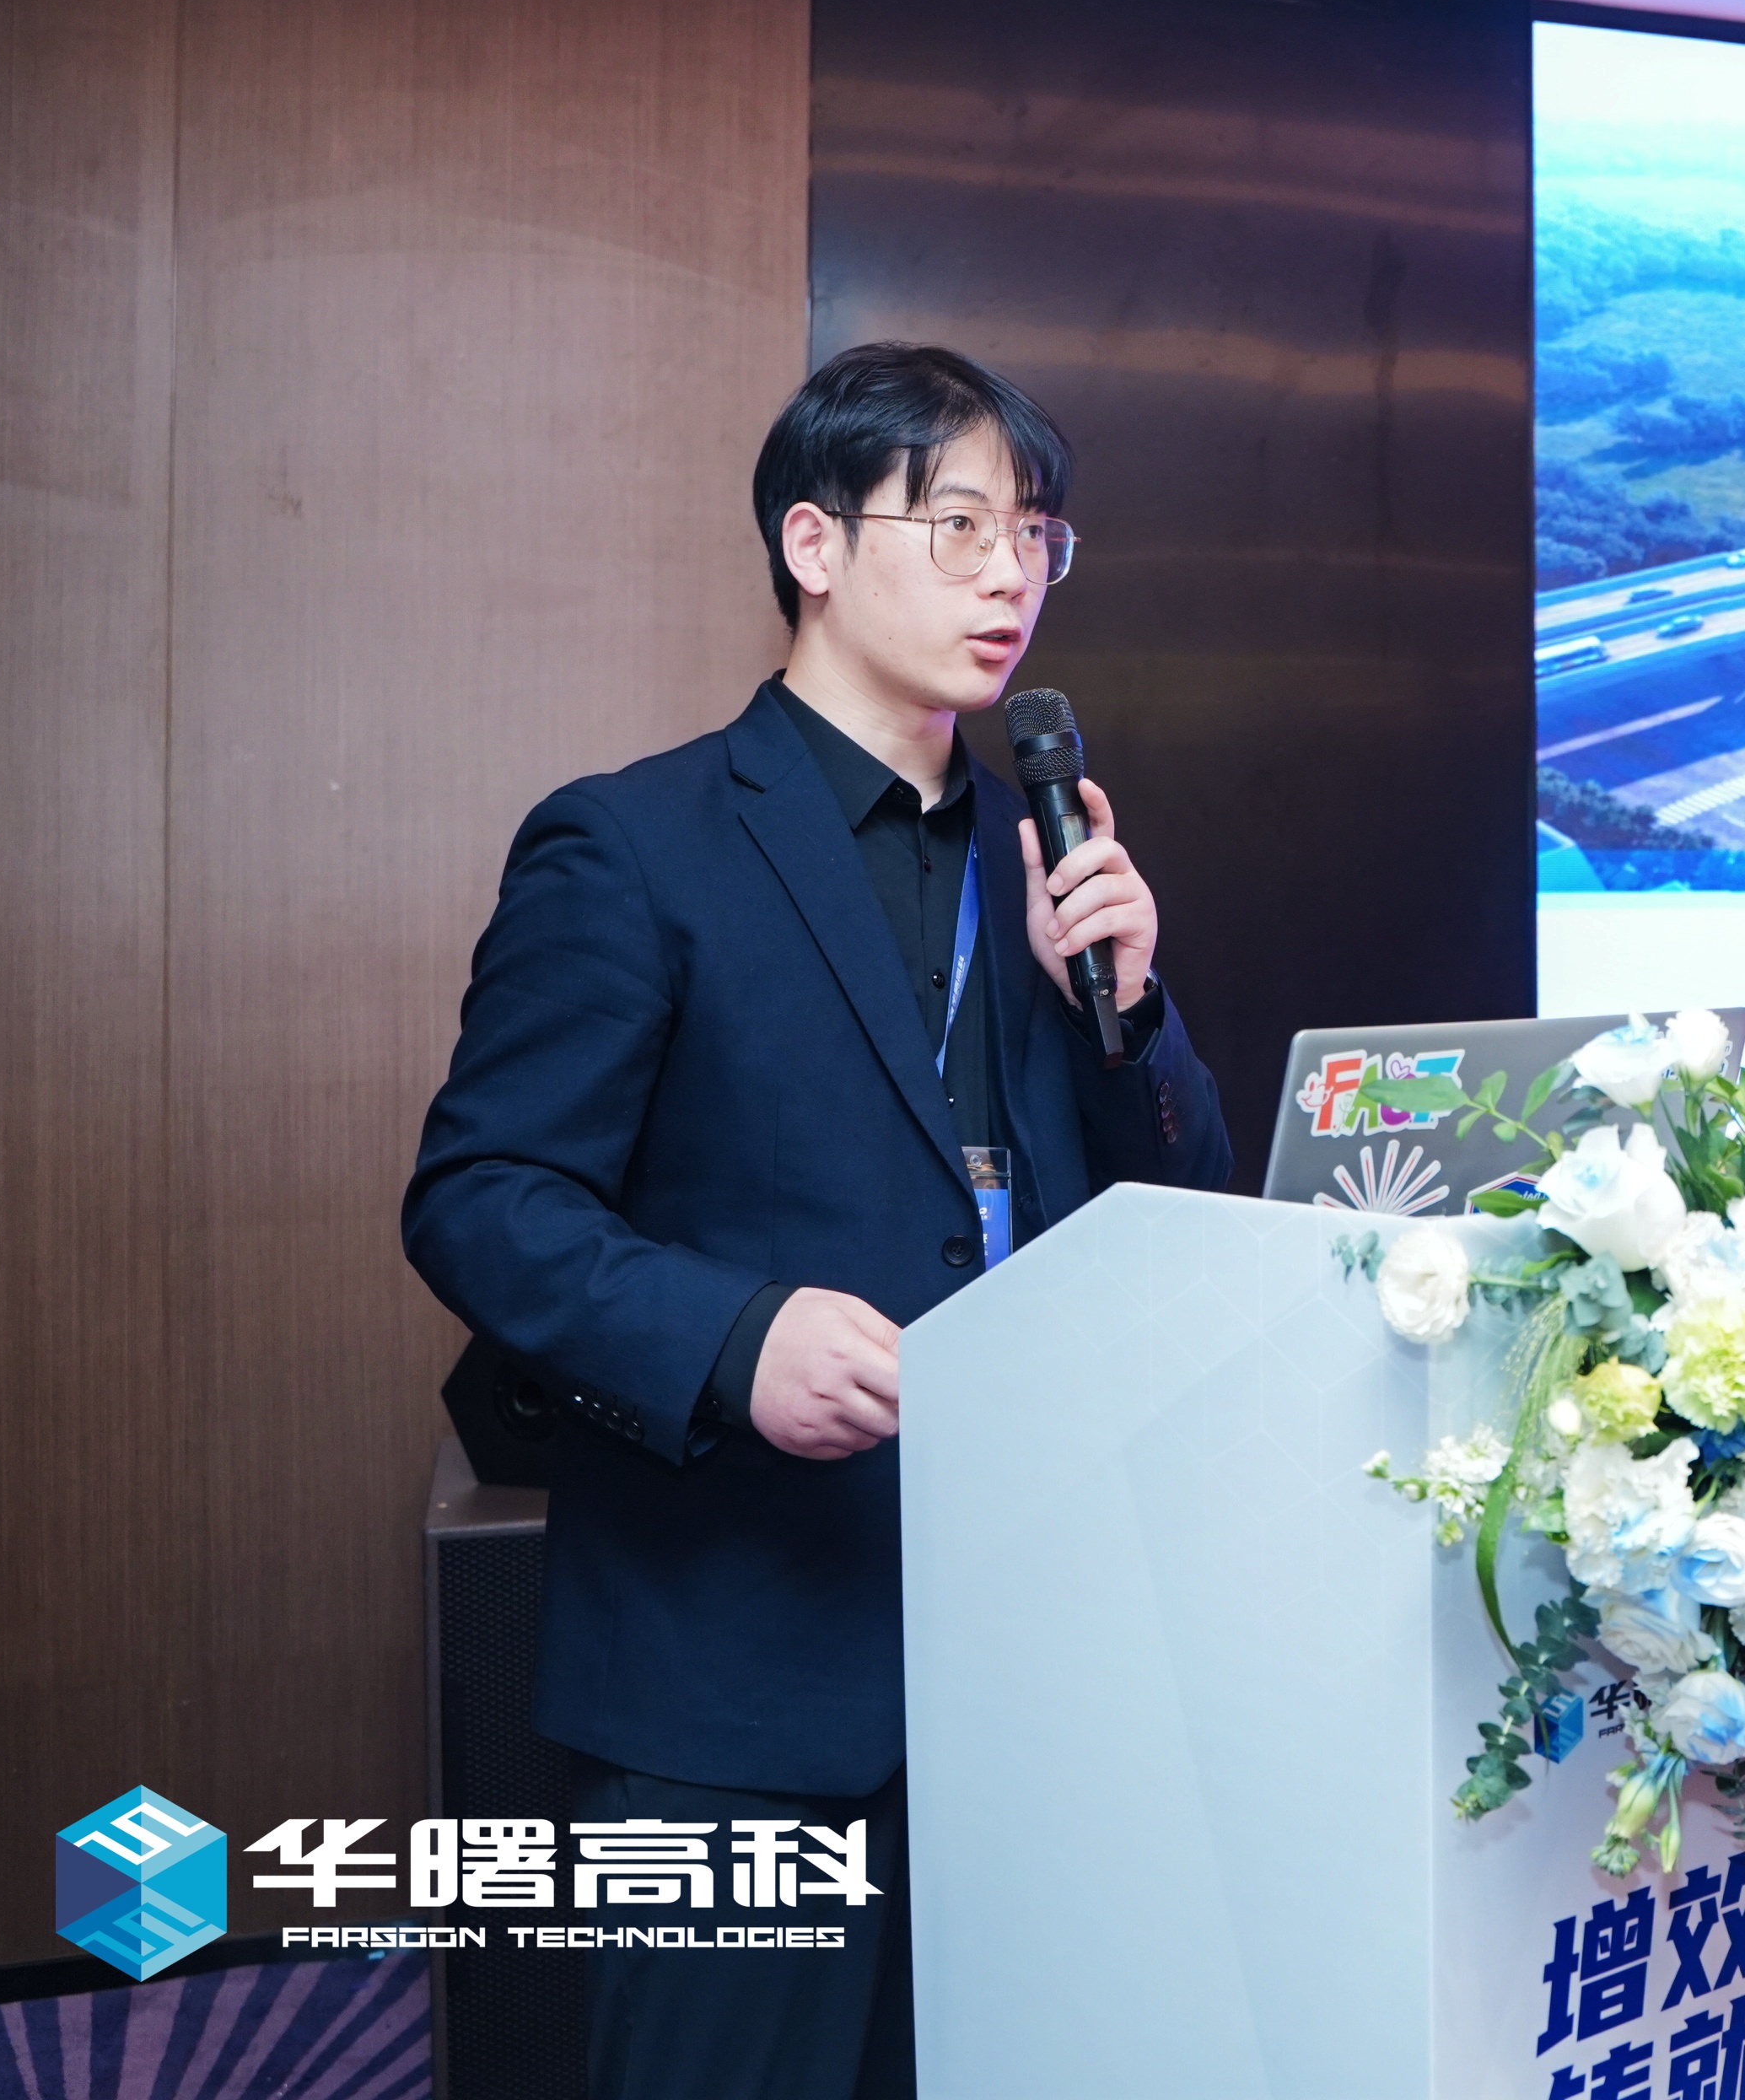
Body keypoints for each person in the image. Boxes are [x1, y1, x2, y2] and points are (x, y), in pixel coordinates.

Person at [403, 342, 1232, 2100]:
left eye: (1036, 535)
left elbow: (1183, 1212)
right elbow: (482, 1201)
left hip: (1028, 1666)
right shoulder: (637, 844)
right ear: (815, 544)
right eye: (958, 526)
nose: (1011, 575)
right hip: (738, 1676)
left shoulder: (1043, 857)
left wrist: (1132, 1009)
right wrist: (732, 1338)